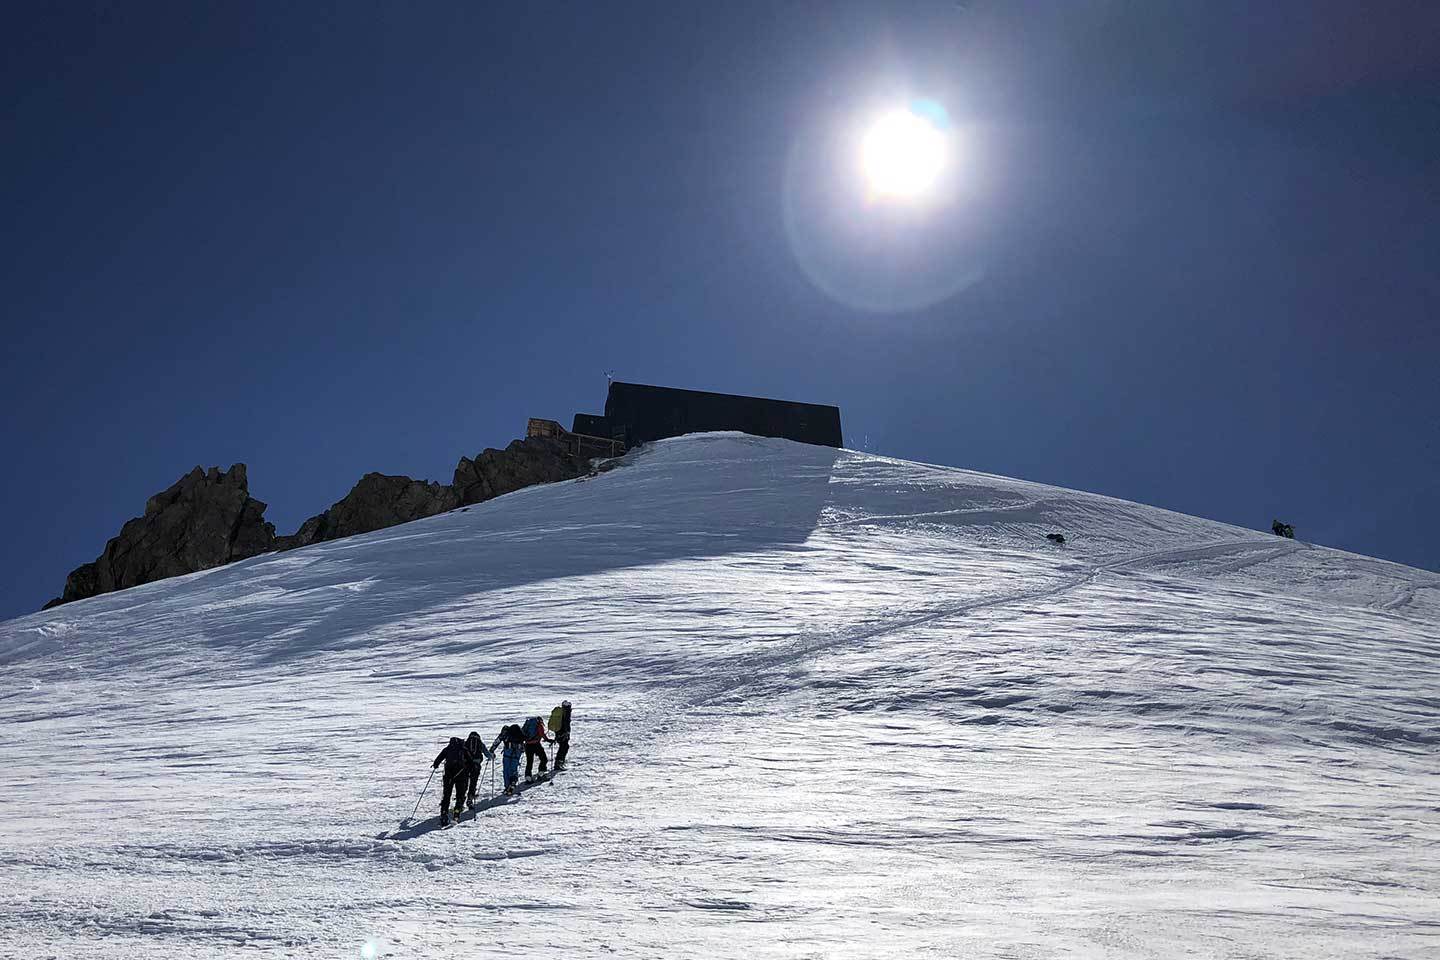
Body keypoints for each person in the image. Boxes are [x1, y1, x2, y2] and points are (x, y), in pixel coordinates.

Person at [431, 736, 471, 826]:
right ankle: (456, 813)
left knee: (446, 795)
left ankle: (444, 814)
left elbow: (438, 759)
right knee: (460, 795)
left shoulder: (448, 748)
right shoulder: (463, 749)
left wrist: (435, 765)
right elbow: (470, 761)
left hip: (448, 775)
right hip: (460, 775)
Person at [488, 723, 526, 795]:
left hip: (508, 752)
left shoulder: (505, 733)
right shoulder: (518, 732)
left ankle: (507, 786)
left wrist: (491, 751)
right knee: (514, 769)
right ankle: (513, 782)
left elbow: (497, 741)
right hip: (517, 752)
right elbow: (524, 739)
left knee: (506, 770)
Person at [460, 730, 490, 811]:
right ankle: (470, 799)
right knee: (473, 782)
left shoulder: (466, 743)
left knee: (464, 783)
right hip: (476, 765)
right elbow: (487, 753)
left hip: (466, 765)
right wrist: (492, 756)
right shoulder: (480, 743)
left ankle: (461, 801)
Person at [521, 715, 551, 781]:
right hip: (536, 744)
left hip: (527, 745)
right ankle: (541, 773)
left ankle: (528, 777)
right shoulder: (538, 724)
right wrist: (548, 740)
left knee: (529, 761)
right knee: (544, 759)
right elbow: (542, 734)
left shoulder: (527, 724)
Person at [548, 700, 572, 769]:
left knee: (563, 746)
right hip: (563, 732)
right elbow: (566, 723)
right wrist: (567, 732)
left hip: (558, 731)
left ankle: (559, 762)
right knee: (564, 747)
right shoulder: (566, 712)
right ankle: (559, 763)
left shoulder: (560, 712)